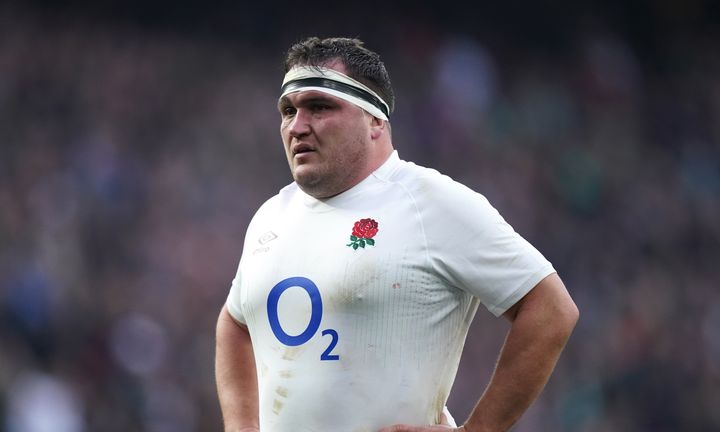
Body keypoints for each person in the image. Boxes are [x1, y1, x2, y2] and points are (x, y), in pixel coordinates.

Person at [215, 36, 579, 432]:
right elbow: (234, 323)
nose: (297, 126)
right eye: (288, 110)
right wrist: (240, 425)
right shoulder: (271, 215)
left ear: (375, 120)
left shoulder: (431, 202)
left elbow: (551, 309)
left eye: (319, 107)